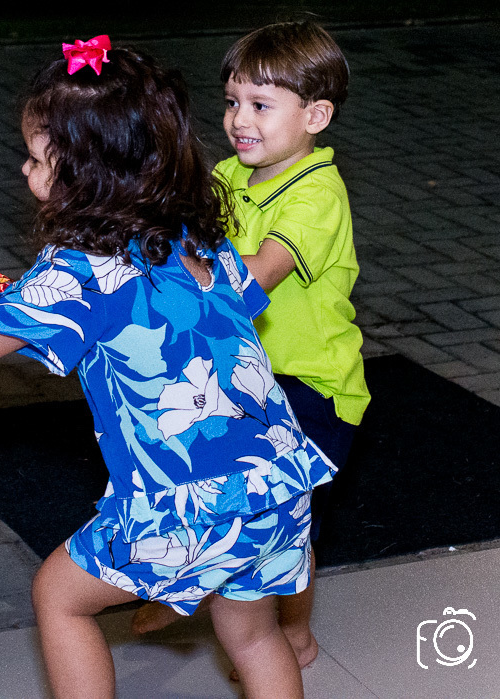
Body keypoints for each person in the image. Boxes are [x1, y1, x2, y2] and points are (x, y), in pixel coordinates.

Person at [0, 38, 335, 698]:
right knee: (254, 636)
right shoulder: (192, 234)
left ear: (86, 180)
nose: (27, 174)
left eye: (38, 160)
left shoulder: (77, 274)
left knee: (59, 595)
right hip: (282, 479)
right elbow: (219, 308)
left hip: (187, 504)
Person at [131, 21, 370, 677]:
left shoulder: (316, 194)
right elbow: (186, 236)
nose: (240, 119)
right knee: (214, 482)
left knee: (281, 518)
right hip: (248, 375)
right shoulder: (233, 174)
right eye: (233, 101)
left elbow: (256, 273)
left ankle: (289, 632)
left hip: (313, 387)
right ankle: (206, 583)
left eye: (261, 105)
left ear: (316, 115)